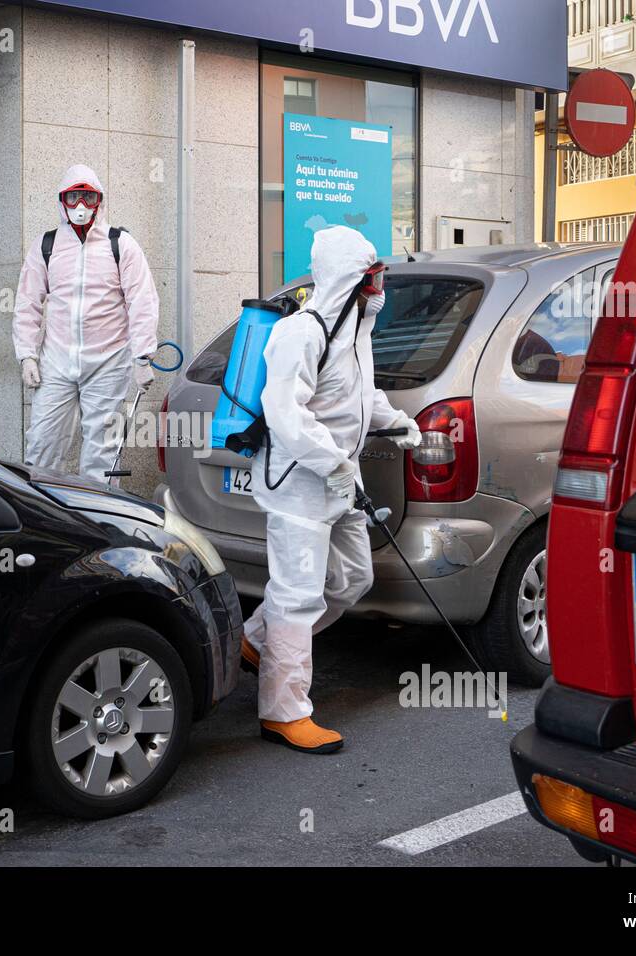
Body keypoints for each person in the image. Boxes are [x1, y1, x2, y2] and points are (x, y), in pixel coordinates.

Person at [240, 226, 422, 754]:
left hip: (342, 479)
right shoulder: (301, 333)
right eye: (372, 276)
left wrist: (397, 421)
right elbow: (286, 416)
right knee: (297, 597)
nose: (380, 286)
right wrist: (333, 464)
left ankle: (254, 643)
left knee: (351, 578)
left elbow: (359, 397)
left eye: (380, 274)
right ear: (349, 278)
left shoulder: (355, 330)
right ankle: (284, 712)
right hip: (299, 483)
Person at [13, 164, 160, 481]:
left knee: (102, 453)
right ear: (62, 201)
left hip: (108, 362)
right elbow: (27, 301)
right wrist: (27, 353)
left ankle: (100, 523)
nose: (81, 206)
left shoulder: (120, 245)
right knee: (42, 445)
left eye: (88, 197)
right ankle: (42, 517)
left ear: (100, 201)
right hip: (56, 362)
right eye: (74, 197)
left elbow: (142, 300)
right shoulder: (46, 246)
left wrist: (143, 356)